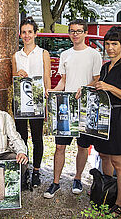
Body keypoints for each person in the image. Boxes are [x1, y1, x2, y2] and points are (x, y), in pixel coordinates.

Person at [44, 19, 102, 199]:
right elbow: (63, 81)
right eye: (72, 31)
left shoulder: (94, 54)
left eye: (78, 31)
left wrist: (84, 88)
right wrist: (53, 91)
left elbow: (97, 79)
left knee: (82, 146)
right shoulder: (65, 54)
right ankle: (55, 182)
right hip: (65, 106)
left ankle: (77, 178)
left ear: (85, 33)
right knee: (60, 146)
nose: (75, 34)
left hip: (85, 104)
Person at [94, 26, 121, 216]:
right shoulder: (106, 66)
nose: (110, 47)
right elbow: (101, 86)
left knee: (119, 163)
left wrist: (110, 88)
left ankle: (120, 204)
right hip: (104, 116)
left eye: (114, 44)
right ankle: (109, 192)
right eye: (107, 44)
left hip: (119, 118)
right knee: (104, 155)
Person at [12, 16, 51, 187]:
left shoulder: (43, 53)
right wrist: (17, 74)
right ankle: (24, 170)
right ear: (20, 35)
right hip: (20, 100)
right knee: (21, 138)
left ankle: (36, 170)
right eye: (23, 32)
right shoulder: (16, 55)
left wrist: (47, 104)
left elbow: (47, 79)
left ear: (36, 34)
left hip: (36, 99)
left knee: (37, 138)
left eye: (30, 32)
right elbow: (12, 79)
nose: (26, 35)